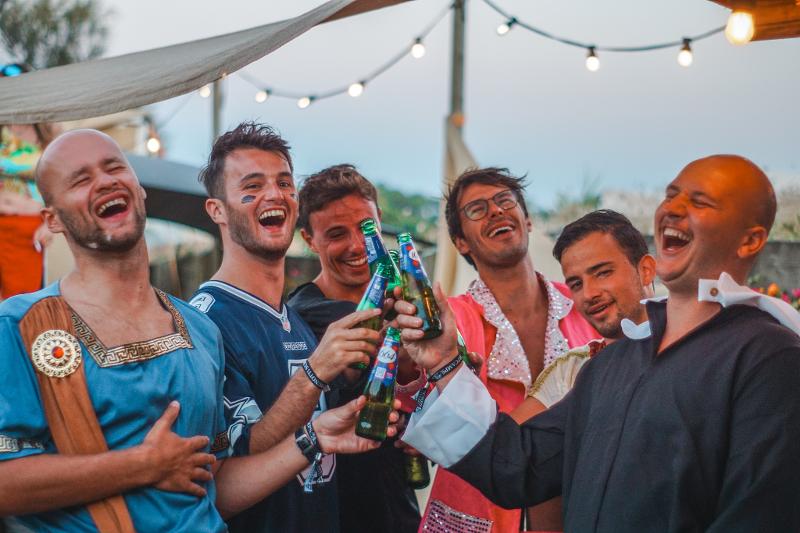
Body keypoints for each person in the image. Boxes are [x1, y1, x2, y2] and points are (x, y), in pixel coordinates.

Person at [0, 129, 398, 532]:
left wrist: (314, 437)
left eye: (114, 168)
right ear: (51, 219)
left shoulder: (199, 330)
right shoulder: (21, 325)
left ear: (139, 190)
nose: (104, 181)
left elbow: (214, 488)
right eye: (81, 179)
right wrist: (139, 465)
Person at [398, 155, 800, 532]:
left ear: (750, 241)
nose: (673, 209)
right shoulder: (611, 363)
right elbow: (516, 464)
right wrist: (445, 362)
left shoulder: (768, 356)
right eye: (671, 195)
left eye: (699, 201)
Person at [190, 124, 380, 533]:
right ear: (217, 210)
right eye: (253, 186)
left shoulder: (293, 319)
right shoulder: (204, 322)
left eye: (284, 183)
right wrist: (315, 373)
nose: (274, 195)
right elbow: (229, 467)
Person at [419, 167, 596, 532]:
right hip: (474, 516)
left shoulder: (585, 304)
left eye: (504, 201)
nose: (496, 211)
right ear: (460, 242)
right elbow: (416, 397)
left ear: (527, 220)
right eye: (477, 209)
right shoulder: (451, 319)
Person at [288, 164, 422, 533]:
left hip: (401, 510)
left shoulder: (398, 304)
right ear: (309, 239)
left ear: (379, 222)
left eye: (367, 229)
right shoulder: (303, 318)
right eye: (336, 234)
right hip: (337, 514)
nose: (357, 245)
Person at [511, 209, 655, 423]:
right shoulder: (569, 371)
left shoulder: (693, 350)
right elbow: (508, 440)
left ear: (645, 270)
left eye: (602, 273)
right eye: (576, 284)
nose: (588, 294)